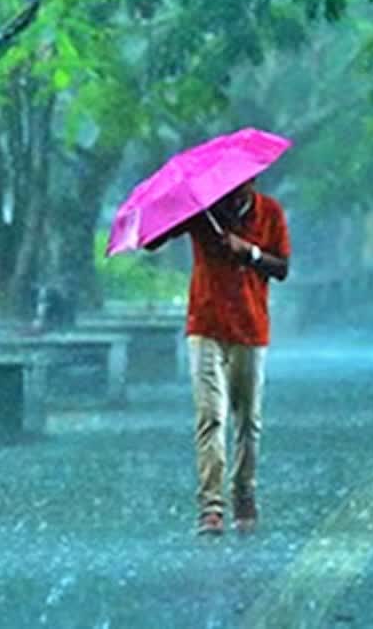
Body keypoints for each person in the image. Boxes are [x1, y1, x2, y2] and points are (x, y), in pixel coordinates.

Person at [147, 179, 290, 536]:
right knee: (211, 416)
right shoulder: (203, 212)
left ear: (253, 182)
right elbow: (152, 242)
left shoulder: (269, 212)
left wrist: (250, 252)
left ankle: (244, 493)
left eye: (241, 186)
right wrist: (175, 209)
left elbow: (282, 268)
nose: (233, 192)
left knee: (248, 420)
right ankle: (211, 506)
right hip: (206, 325)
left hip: (251, 327)